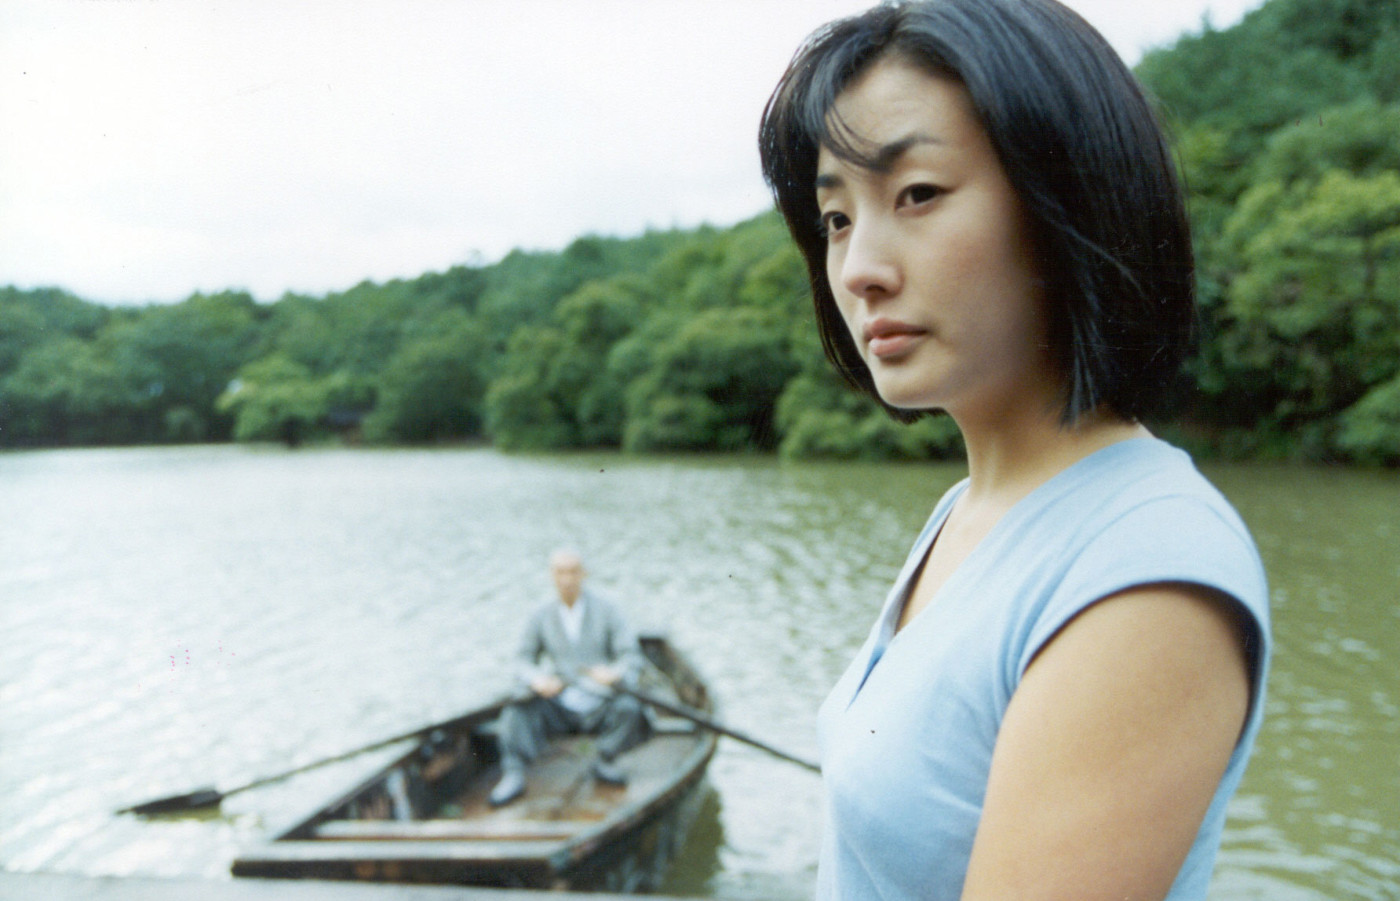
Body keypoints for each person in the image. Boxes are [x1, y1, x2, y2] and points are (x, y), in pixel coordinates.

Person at [757, 1, 1271, 898]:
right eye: (836, 217)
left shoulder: (1144, 567)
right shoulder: (969, 509)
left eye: (916, 194)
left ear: (1065, 197)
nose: (858, 267)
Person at [488, 549, 648, 807]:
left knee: (630, 708)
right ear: (552, 576)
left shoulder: (608, 610)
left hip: (600, 698)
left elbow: (631, 656)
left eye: (573, 572)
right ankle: (514, 773)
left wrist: (613, 673)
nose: (567, 579)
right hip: (560, 699)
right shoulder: (540, 614)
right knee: (517, 711)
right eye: (560, 573)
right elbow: (521, 660)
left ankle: (605, 759)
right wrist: (537, 679)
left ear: (583, 574)